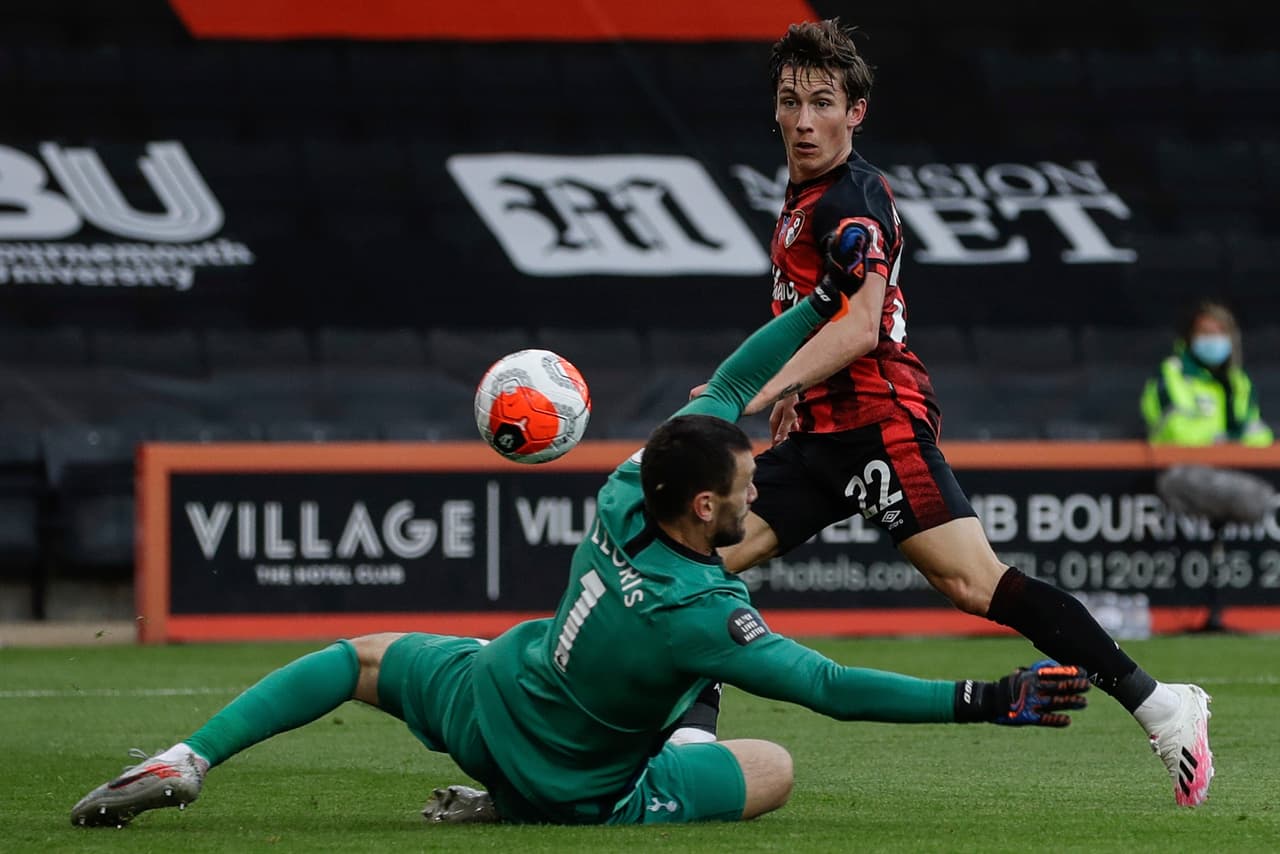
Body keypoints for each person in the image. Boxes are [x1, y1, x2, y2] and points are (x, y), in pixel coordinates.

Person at [70, 283, 1092, 829]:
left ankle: (185, 759)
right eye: (747, 488)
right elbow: (829, 687)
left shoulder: (625, 484)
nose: (759, 493)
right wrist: (983, 698)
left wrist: (820, 303)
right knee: (772, 767)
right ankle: (535, 802)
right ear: (705, 505)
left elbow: (728, 384)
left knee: (356, 657)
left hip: (489, 697)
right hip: (573, 785)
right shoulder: (705, 612)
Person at [696, 18, 1214, 808]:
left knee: (976, 584)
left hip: (879, 423)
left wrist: (757, 391)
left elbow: (861, 325)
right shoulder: (802, 197)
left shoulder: (854, 198)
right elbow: (815, 310)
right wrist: (797, 393)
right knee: (696, 567)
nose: (804, 119)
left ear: (855, 112)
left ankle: (1164, 706)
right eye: (790, 101)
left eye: (823, 102)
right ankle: (686, 746)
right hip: (823, 433)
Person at [1141, 299, 1272, 447]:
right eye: (1205, 332)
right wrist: (1223, 440)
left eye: (1220, 332)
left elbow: (1260, 435)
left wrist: (1232, 441)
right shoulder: (1172, 373)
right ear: (1190, 337)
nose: (1213, 339)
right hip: (1179, 460)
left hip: (1233, 459)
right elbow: (1178, 433)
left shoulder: (1238, 380)